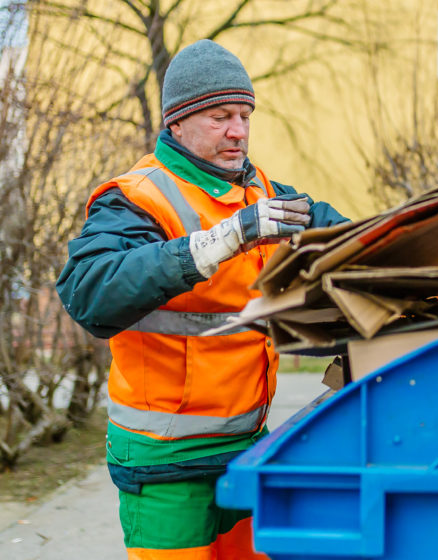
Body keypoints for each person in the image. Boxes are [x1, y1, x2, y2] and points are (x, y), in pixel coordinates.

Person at [57, 39, 349, 559]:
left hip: (245, 452)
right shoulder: (139, 197)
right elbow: (89, 293)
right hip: (167, 463)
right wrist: (222, 239)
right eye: (220, 116)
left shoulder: (262, 195)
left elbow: (356, 240)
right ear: (177, 123)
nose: (238, 130)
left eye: (244, 115)